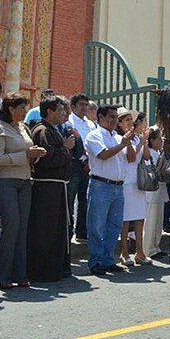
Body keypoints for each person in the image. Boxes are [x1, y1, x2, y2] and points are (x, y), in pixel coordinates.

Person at [0, 93, 46, 289]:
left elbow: (27, 154)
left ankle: (21, 273)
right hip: (5, 181)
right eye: (21, 107)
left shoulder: (24, 128)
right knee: (12, 224)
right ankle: (3, 274)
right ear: (11, 109)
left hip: (24, 180)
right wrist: (25, 155)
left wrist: (35, 155)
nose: (24, 111)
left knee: (22, 227)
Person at [27, 97, 73, 282]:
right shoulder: (42, 130)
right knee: (46, 229)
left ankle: (56, 267)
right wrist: (65, 147)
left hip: (57, 186)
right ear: (49, 112)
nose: (64, 113)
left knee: (58, 228)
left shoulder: (53, 130)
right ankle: (43, 271)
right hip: (47, 187)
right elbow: (47, 158)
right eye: (60, 110)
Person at [84, 105, 134, 276]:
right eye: (111, 117)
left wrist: (130, 143)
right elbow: (103, 155)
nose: (114, 120)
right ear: (100, 117)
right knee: (97, 226)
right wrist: (122, 144)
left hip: (118, 186)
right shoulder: (94, 135)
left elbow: (131, 158)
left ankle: (108, 260)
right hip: (101, 185)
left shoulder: (117, 137)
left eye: (115, 117)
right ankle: (96, 261)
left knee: (114, 226)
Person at [118, 109, 151, 266]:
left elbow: (145, 157)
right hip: (126, 181)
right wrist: (141, 142)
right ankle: (124, 252)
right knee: (125, 219)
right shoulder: (121, 138)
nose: (130, 122)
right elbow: (130, 158)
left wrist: (143, 141)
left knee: (139, 217)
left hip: (138, 182)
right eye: (126, 120)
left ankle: (140, 252)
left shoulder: (137, 137)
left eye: (131, 120)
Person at [67, 93, 96, 241]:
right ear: (73, 107)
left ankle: (82, 232)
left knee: (85, 199)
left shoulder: (91, 124)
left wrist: (89, 161)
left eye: (86, 104)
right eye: (81, 104)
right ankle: (68, 231)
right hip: (73, 164)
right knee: (70, 198)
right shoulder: (69, 122)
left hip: (88, 165)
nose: (85, 107)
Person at [143, 126, 168, 259]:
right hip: (151, 192)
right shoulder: (150, 153)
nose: (161, 141)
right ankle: (148, 249)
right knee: (151, 221)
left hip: (160, 191)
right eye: (159, 139)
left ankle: (155, 247)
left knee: (158, 221)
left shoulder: (159, 153)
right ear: (152, 140)